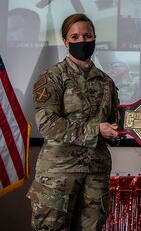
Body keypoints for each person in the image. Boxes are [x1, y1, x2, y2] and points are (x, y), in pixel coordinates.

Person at [26, 13, 122, 230]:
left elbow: (114, 122)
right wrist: (97, 130)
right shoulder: (52, 77)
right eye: (75, 36)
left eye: (87, 36)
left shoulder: (106, 81)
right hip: (59, 175)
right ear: (65, 41)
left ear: (95, 38)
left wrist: (123, 131)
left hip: (96, 172)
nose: (82, 41)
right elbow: (48, 124)